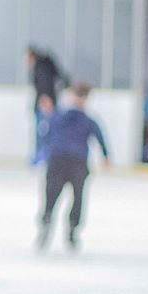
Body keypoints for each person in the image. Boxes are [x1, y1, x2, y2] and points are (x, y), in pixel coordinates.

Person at [36, 82, 111, 252]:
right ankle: (65, 227)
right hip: (73, 161)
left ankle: (55, 223)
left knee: (59, 196)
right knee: (72, 197)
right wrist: (105, 155)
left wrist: (47, 151)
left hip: (62, 160)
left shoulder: (59, 115)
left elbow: (46, 133)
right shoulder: (85, 119)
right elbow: (99, 136)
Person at [26, 47, 67, 165]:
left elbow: (44, 83)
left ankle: (42, 156)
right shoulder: (45, 65)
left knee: (43, 130)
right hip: (47, 101)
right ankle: (43, 155)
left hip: (45, 103)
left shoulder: (41, 67)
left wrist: (45, 98)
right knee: (45, 129)